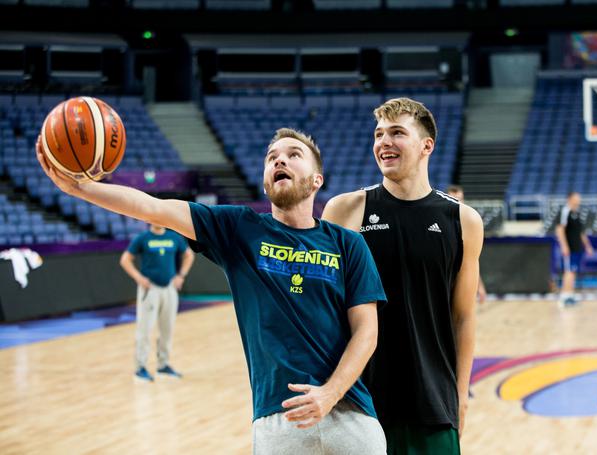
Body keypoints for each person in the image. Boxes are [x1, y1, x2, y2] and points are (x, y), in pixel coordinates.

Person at [36, 128, 387, 454]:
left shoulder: (348, 244)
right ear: (265, 183)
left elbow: (367, 331)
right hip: (279, 419)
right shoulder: (239, 228)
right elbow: (153, 207)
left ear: (316, 180)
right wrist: (79, 189)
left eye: (294, 154)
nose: (279, 160)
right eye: (271, 157)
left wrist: (330, 393)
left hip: (350, 413)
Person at [323, 98, 483, 455]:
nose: (384, 142)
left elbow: (463, 317)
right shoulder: (345, 210)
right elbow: (322, 307)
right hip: (359, 402)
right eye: (379, 134)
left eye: (397, 133)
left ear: (427, 145)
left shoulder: (463, 221)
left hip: (433, 401)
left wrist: (460, 396)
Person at [120, 223, 194, 381]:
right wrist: (138, 277)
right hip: (150, 289)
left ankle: (163, 366)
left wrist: (181, 275)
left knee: (167, 329)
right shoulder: (143, 238)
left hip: (169, 288)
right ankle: (140, 368)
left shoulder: (174, 237)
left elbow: (189, 255)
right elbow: (125, 259)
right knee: (145, 329)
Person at [447, 184, 487, 303]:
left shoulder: (467, 225)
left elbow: (469, 262)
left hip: (459, 284)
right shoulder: (437, 222)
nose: (458, 202)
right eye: (454, 199)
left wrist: (479, 286)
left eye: (460, 199)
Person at [555, 191, 593, 307]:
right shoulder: (565, 211)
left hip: (577, 248)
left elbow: (581, 233)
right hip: (569, 248)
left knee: (573, 271)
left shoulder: (576, 213)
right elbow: (559, 229)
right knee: (569, 271)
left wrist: (588, 246)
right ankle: (564, 298)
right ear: (570, 198)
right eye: (577, 197)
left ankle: (570, 295)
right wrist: (564, 246)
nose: (579, 199)